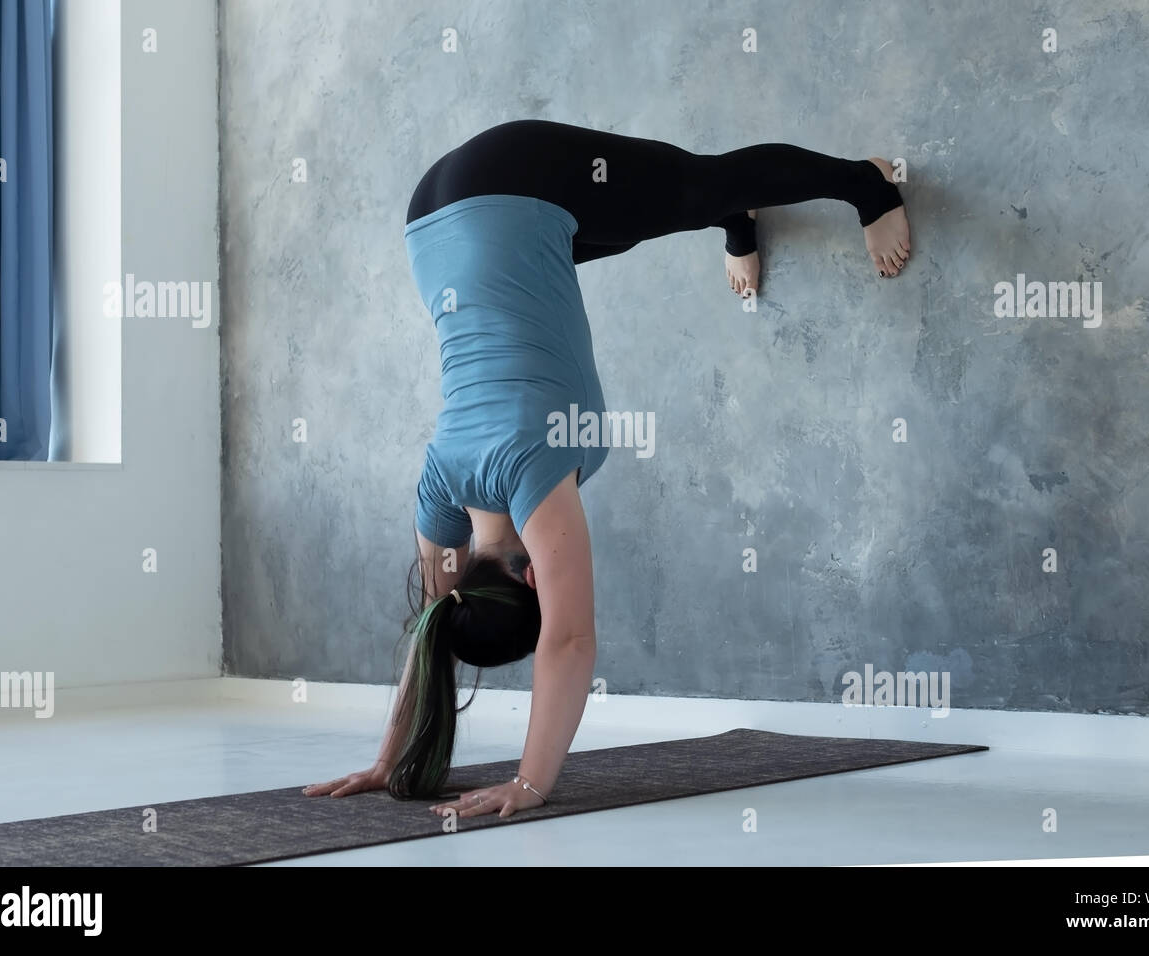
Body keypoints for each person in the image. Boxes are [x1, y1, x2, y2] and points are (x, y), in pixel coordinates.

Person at [304, 119, 909, 818]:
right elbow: (429, 627)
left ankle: (865, 185)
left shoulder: (538, 477)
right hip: (432, 226)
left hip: (516, 175)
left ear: (533, 577)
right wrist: (390, 760)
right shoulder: (440, 483)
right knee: (620, 216)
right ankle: (730, 217)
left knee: (692, 183)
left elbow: (568, 640)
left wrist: (531, 785)